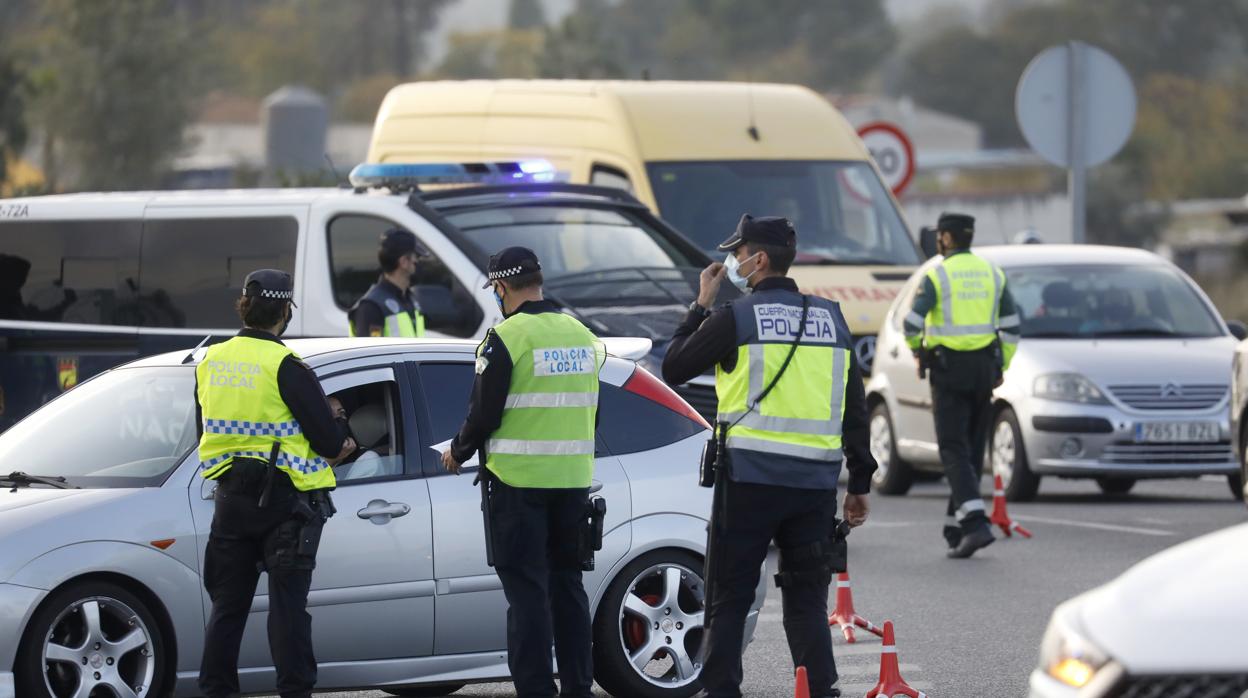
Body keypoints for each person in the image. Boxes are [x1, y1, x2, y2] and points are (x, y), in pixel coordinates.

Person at [662, 214, 877, 698]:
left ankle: (723, 692)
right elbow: (854, 408)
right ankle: (820, 690)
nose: (733, 262)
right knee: (805, 601)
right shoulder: (832, 318)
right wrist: (859, 483)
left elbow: (674, 367)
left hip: (748, 483)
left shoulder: (735, 318)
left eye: (738, 254)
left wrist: (701, 304)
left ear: (759, 260)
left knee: (729, 599)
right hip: (815, 488)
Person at [441, 246, 603, 698]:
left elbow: (484, 414)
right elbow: (593, 412)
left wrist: (457, 450)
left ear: (500, 286)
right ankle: (578, 688)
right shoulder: (582, 335)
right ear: (539, 279)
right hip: (572, 482)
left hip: (517, 484)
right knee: (568, 587)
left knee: (528, 594)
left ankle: (535, 691)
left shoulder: (507, 338)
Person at [196, 269, 355, 698]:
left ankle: (216, 691)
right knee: (287, 609)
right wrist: (338, 418)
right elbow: (329, 443)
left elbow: (206, 429)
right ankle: (294, 691)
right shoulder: (285, 365)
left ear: (243, 306)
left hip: (230, 499)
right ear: (285, 311)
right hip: (288, 506)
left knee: (227, 609)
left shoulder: (210, 360)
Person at [902, 213, 1020, 559]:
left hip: (949, 370)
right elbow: (1012, 327)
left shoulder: (937, 273)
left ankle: (975, 526)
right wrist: (1002, 364)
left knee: (952, 450)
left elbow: (911, 323)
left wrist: (917, 351)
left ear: (948, 239)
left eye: (940, 236)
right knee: (970, 449)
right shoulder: (993, 273)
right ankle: (957, 529)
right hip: (985, 369)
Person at [348, 228, 429, 337]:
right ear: (404, 262)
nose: (418, 262)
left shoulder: (408, 298)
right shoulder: (371, 307)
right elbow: (372, 352)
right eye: (416, 257)